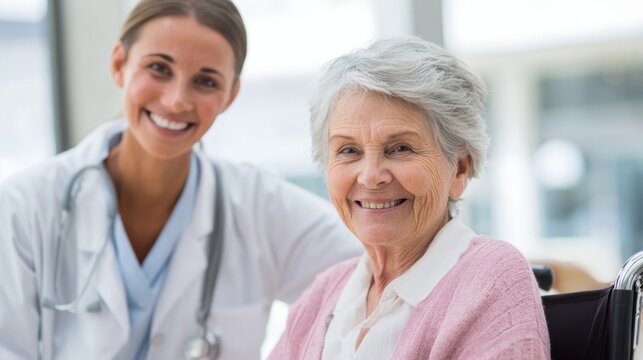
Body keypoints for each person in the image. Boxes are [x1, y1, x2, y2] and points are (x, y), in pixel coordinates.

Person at [0, 0, 360, 359]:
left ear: (230, 95)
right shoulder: (25, 208)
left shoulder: (258, 207)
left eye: (205, 81)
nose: (175, 101)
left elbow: (382, 268)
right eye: (158, 68)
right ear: (119, 64)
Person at [269, 37, 551, 359]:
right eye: (349, 150)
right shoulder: (324, 294)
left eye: (400, 148)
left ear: (458, 170)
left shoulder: (491, 278)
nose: (371, 176)